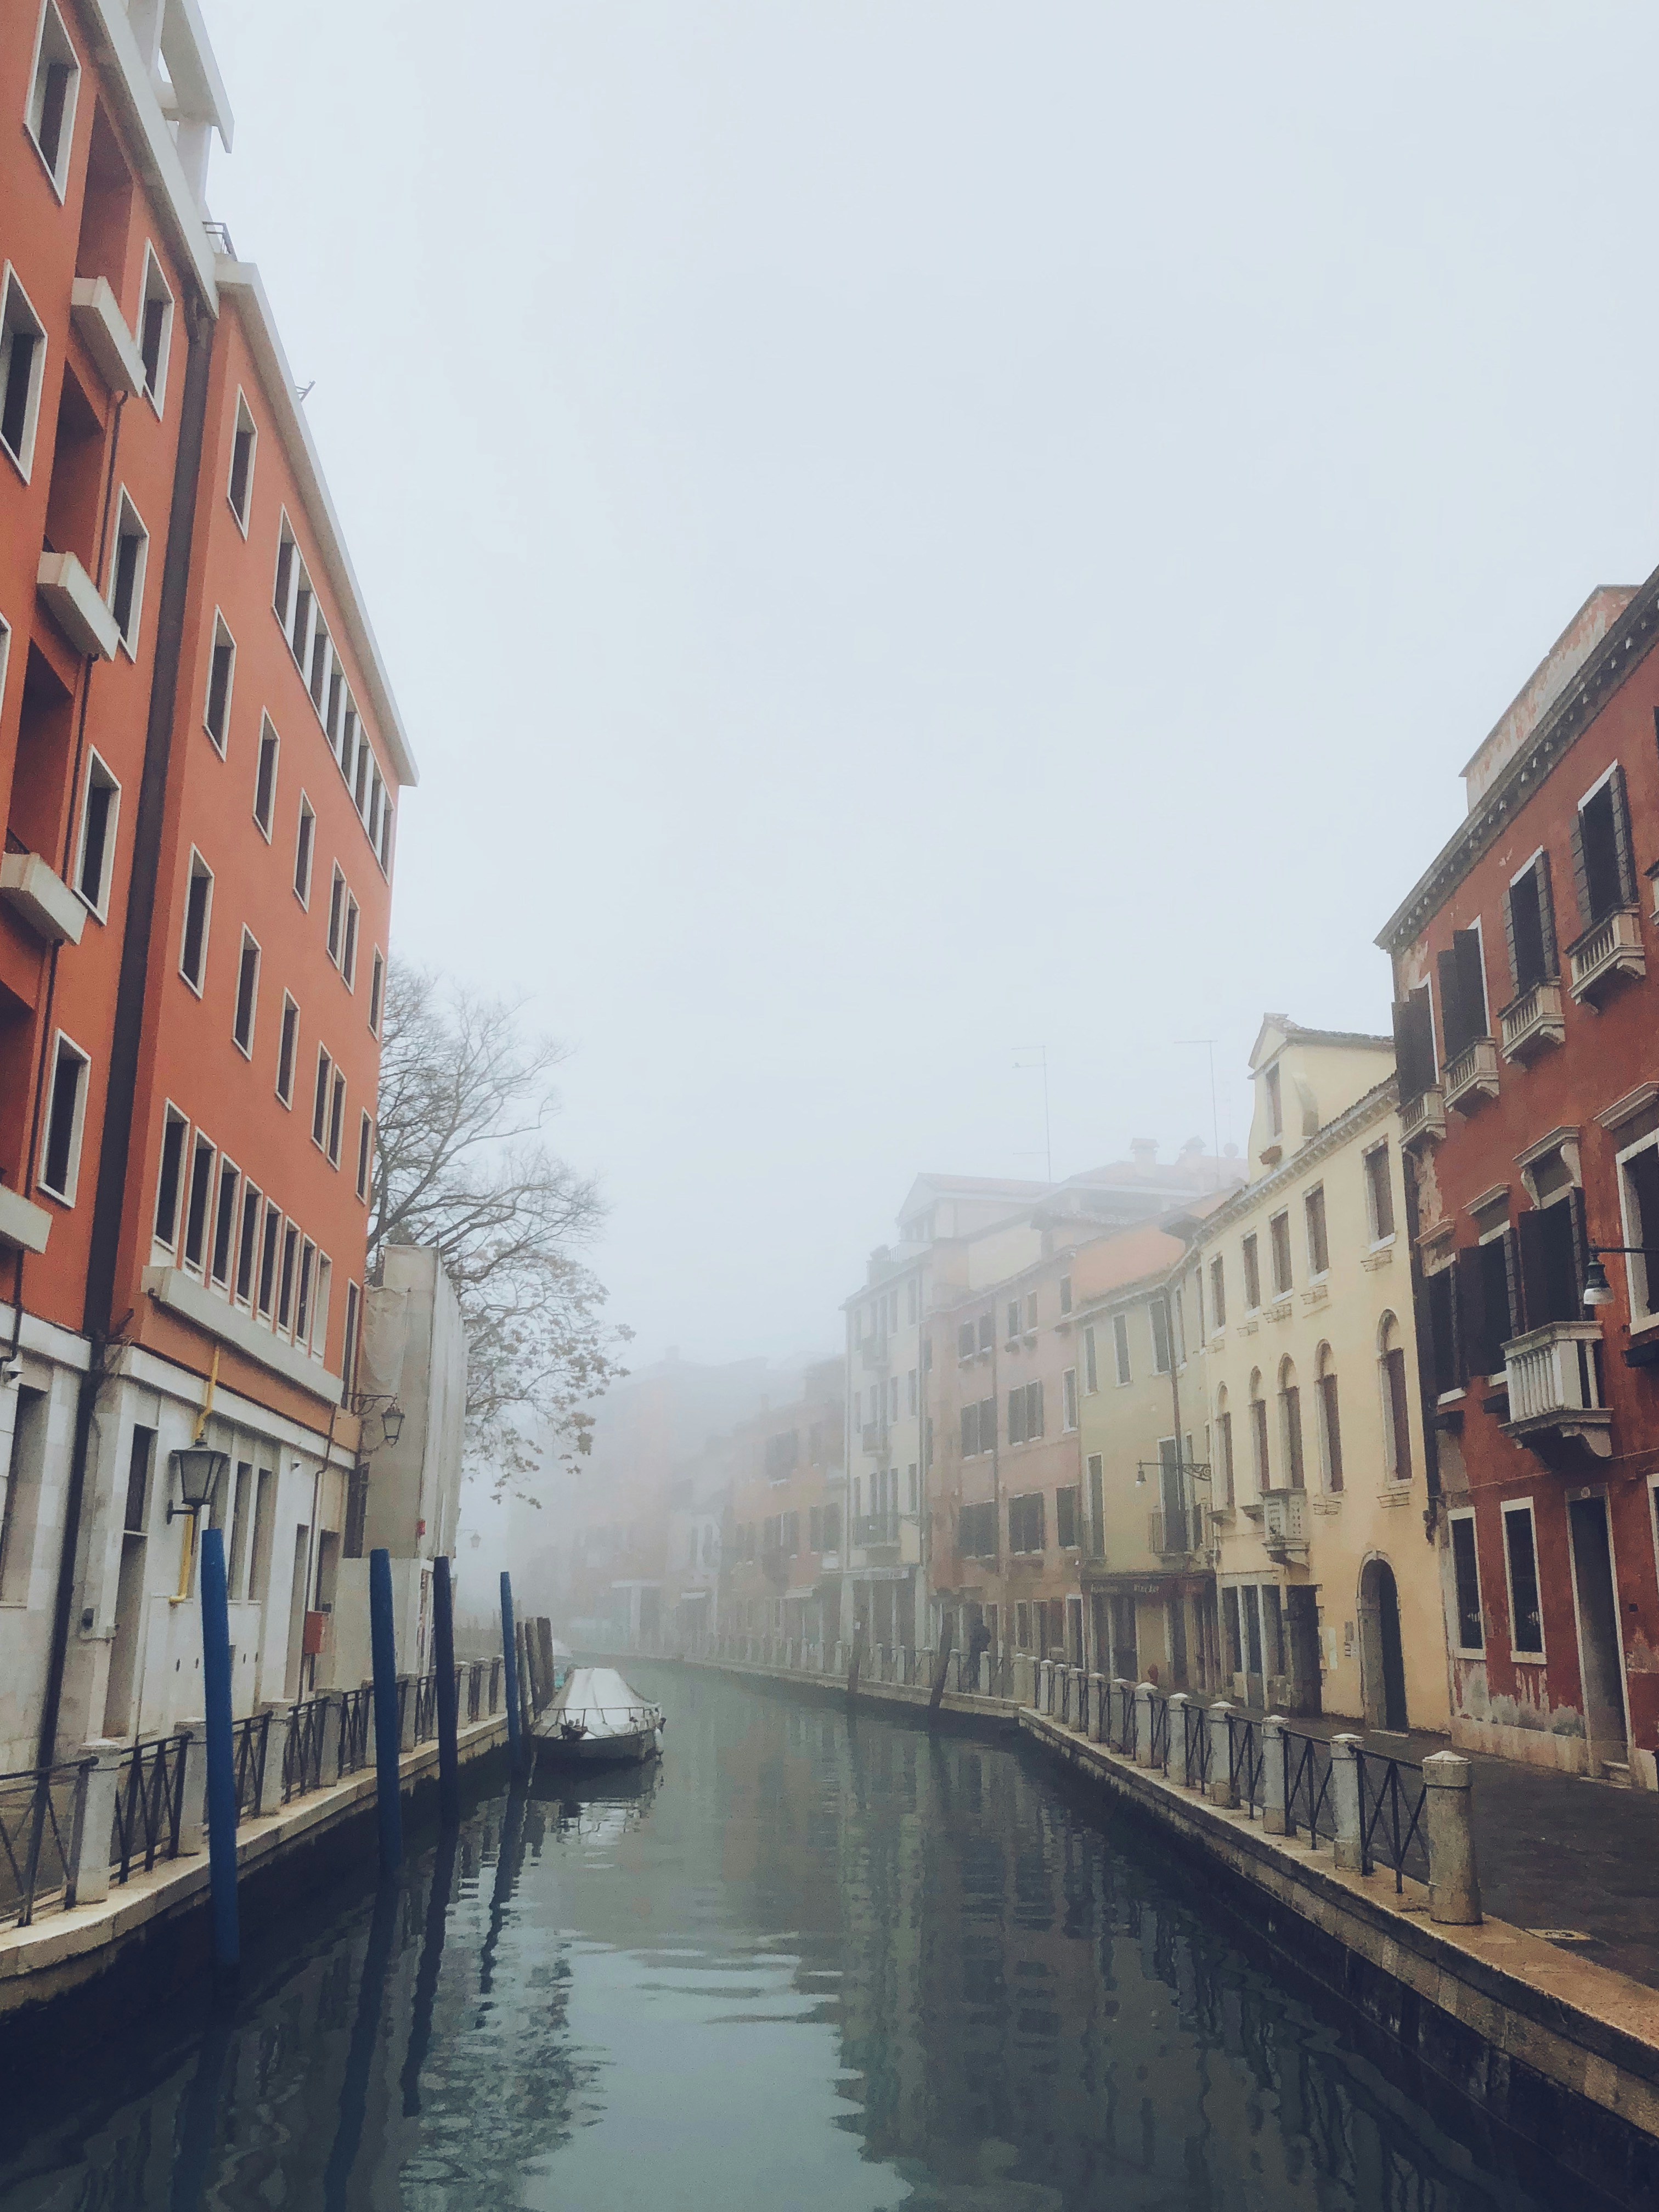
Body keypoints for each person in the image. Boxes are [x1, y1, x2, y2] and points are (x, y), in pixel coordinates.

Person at [967, 1616, 991, 1693]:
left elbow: (972, 1640)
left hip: (976, 1651)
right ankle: (986, 1682)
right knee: (985, 1667)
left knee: (975, 1666)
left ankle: (976, 1681)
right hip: (984, 1650)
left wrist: (973, 1647)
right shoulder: (986, 1630)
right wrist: (984, 1645)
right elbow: (989, 1638)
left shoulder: (975, 1630)